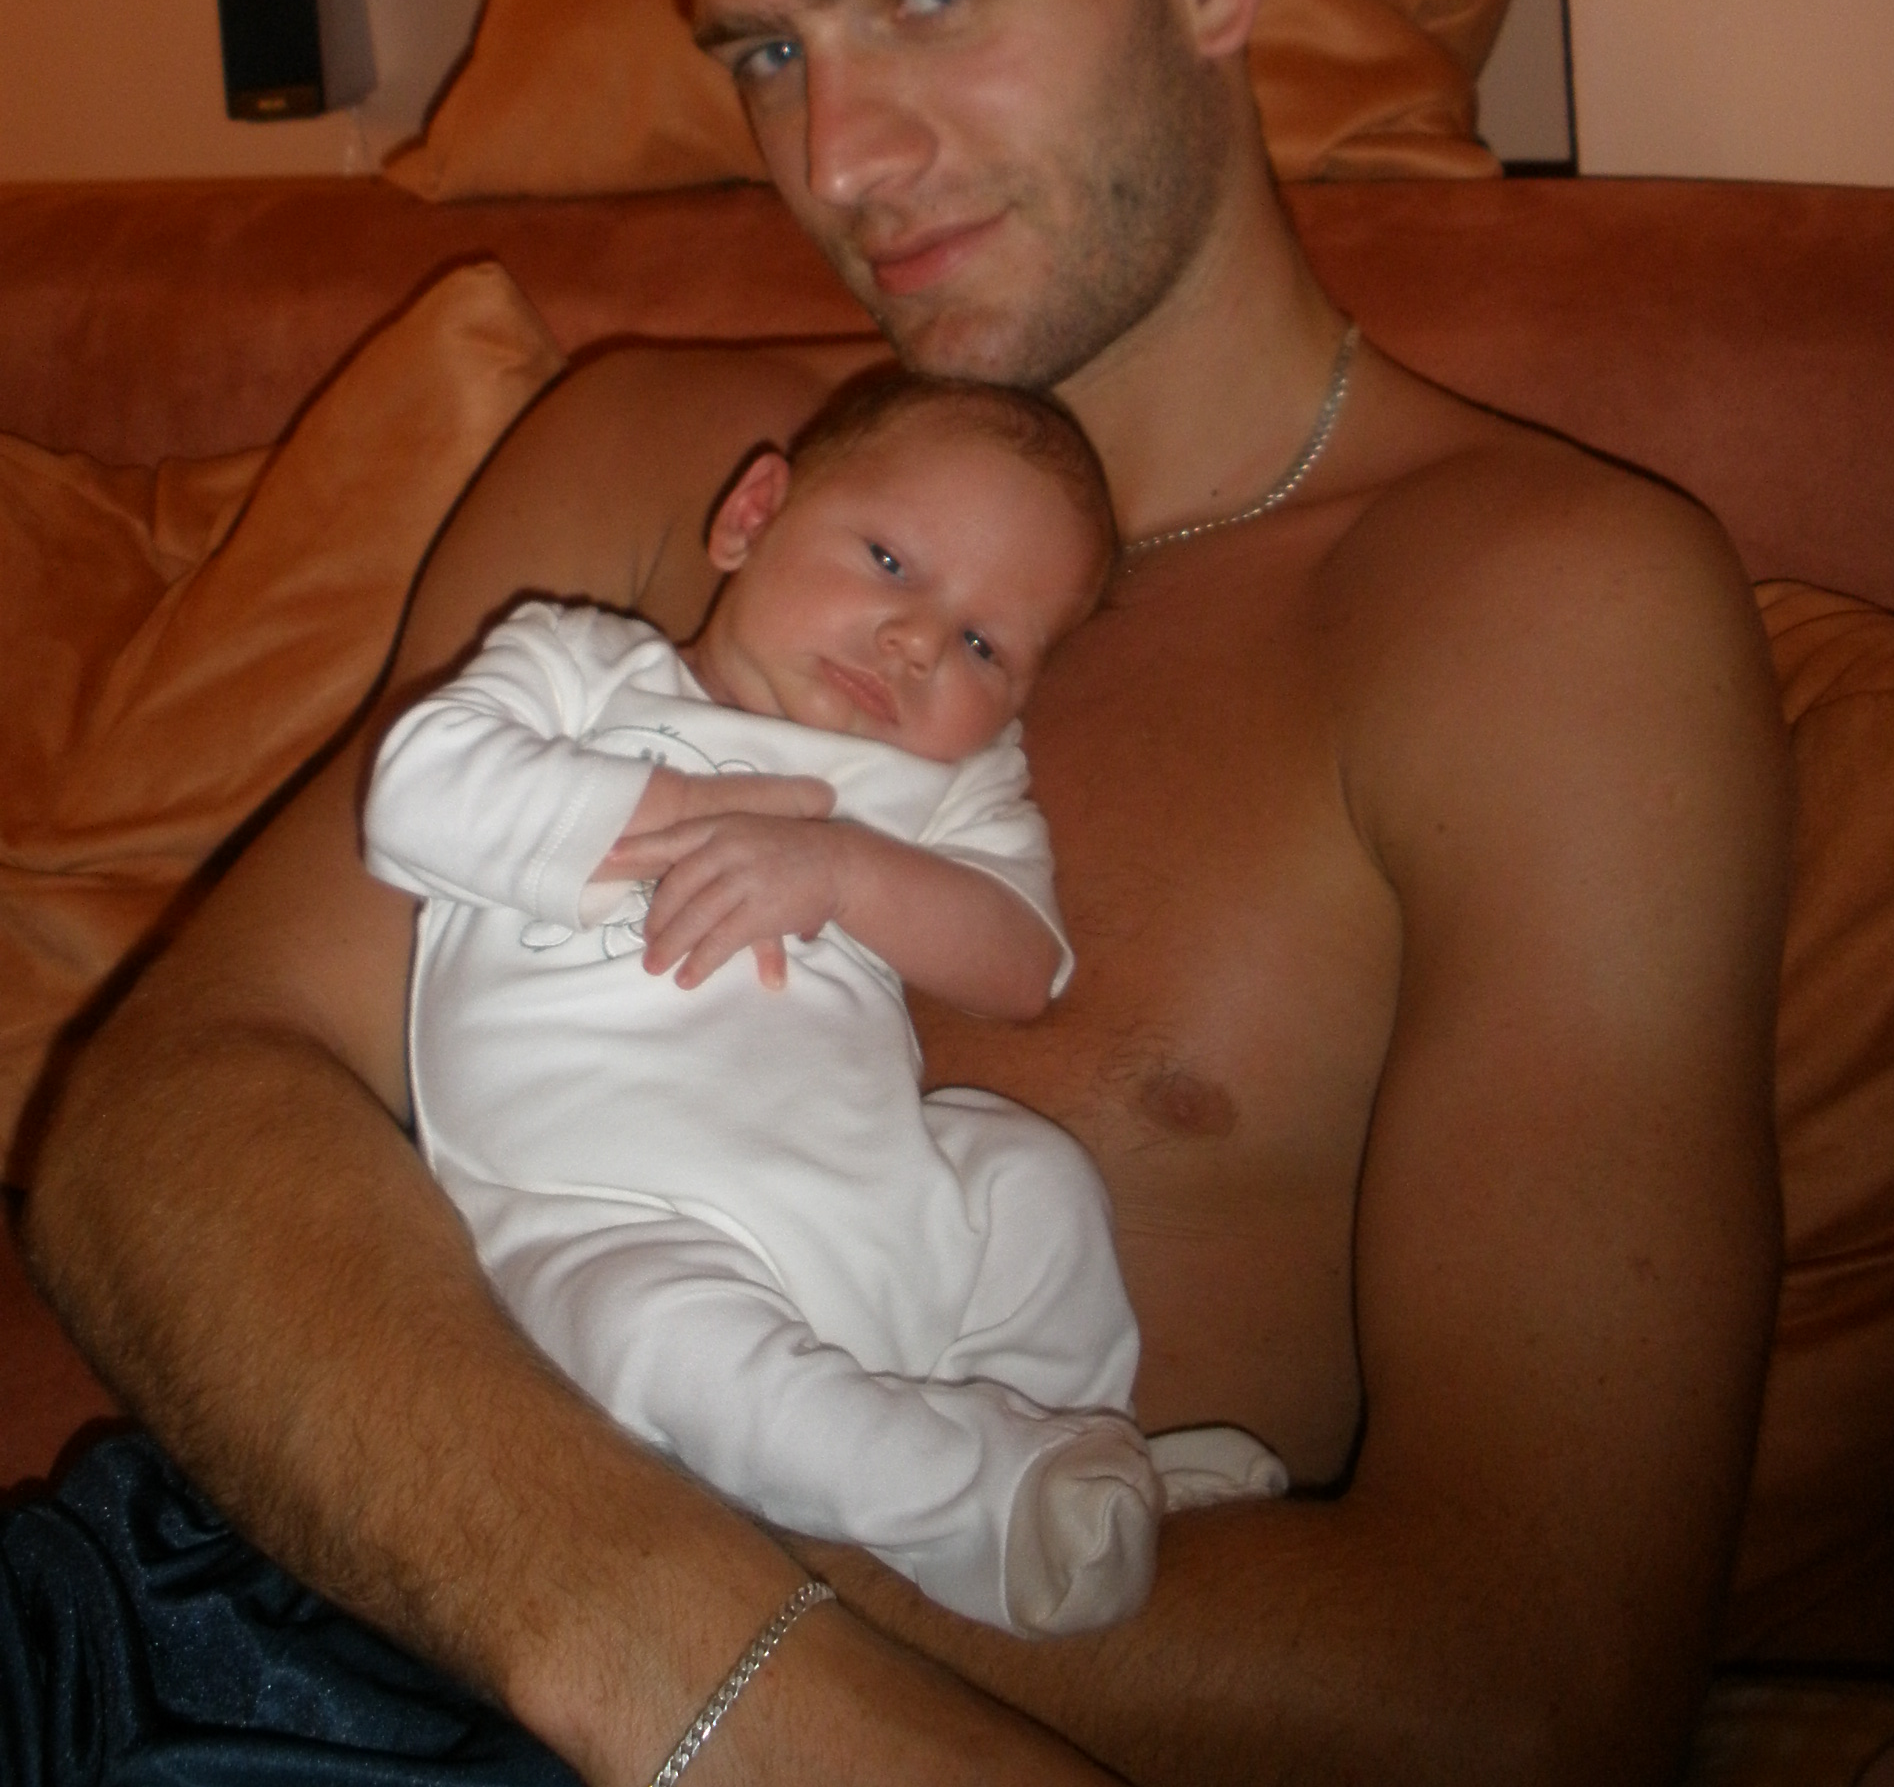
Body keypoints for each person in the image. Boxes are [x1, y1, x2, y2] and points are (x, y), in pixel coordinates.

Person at [24, 0, 1789, 1785]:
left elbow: (1526, 1692)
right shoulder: (651, 460)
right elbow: (164, 1119)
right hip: (229, 1621)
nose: (836, 158)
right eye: (766, 50)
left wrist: (695, 1656)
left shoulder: (1538, 617)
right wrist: (671, 1658)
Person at [364, 370, 1285, 1642]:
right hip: (605, 1222)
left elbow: (1024, 962)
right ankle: (990, 1503)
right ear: (752, 515)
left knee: (1027, 1178)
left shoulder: (950, 785)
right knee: (664, 1345)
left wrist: (843, 870)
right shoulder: (582, 668)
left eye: (983, 647)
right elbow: (415, 791)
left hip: (883, 1207)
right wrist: (686, 816)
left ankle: (1069, 1443)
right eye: (891, 561)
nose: (916, 642)